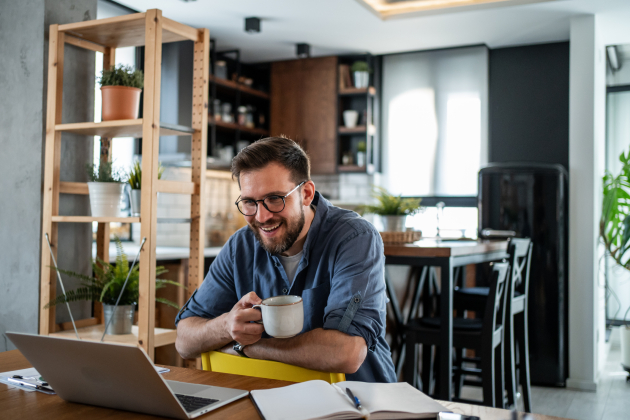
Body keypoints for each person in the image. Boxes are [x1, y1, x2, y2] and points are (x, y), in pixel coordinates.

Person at [175, 137, 396, 382]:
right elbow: (184, 341)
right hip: (270, 402)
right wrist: (226, 326)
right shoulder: (240, 247)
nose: (262, 216)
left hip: (358, 403)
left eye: (274, 199)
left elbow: (345, 352)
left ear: (306, 194)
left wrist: (245, 348)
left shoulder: (355, 238)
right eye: (249, 202)